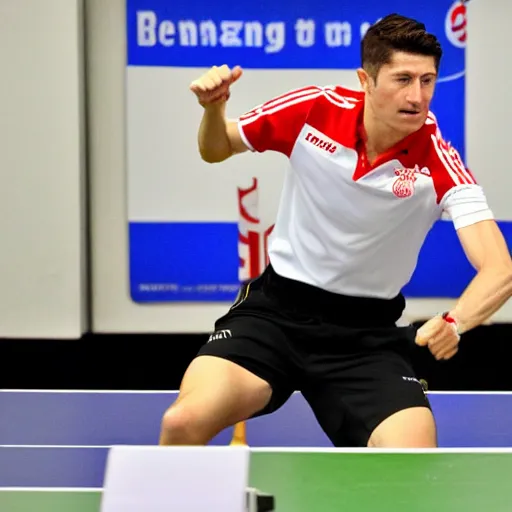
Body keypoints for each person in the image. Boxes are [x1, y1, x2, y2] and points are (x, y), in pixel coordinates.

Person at [159, 13, 512, 448]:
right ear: (365, 79)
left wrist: (456, 322)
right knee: (182, 422)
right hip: (275, 315)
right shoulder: (313, 110)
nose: (417, 96)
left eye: (427, 81)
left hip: (367, 338)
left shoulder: (438, 161)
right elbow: (216, 149)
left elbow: (500, 269)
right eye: (403, 79)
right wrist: (214, 110)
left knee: (413, 454)